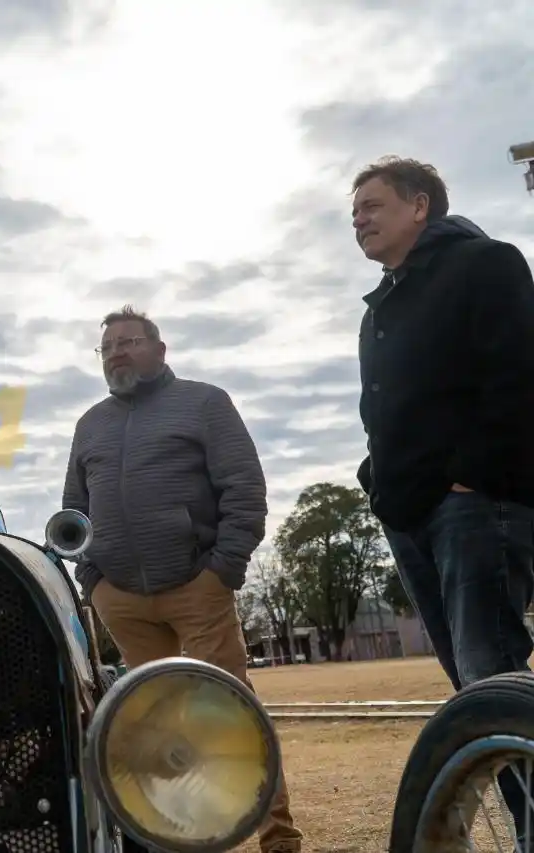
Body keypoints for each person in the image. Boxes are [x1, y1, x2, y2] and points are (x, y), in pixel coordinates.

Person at [61, 306, 303, 853]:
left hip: (198, 588)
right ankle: (178, 839)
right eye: (108, 347)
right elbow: (74, 511)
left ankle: (278, 837)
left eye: (129, 341)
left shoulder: (205, 403)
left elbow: (245, 488)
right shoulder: (89, 424)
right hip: (121, 598)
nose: (117, 353)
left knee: (232, 713)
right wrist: (94, 579)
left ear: (159, 349)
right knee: (156, 729)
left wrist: (222, 570)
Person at [352, 156, 534, 840]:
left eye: (372, 205)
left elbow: (520, 375)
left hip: (476, 505)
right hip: (410, 514)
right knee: (472, 686)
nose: (359, 220)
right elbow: (380, 409)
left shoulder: (486, 264)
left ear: (420, 205)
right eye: (354, 212)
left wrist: (471, 475)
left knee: (492, 679)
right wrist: (378, 481)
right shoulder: (380, 308)